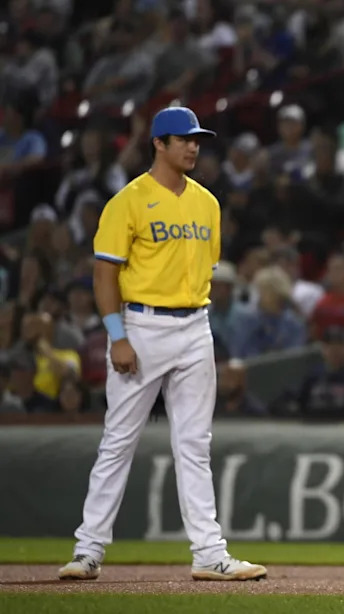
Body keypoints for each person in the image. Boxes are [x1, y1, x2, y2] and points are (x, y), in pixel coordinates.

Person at [58, 107, 266, 582]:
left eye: (197, 139)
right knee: (118, 441)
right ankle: (88, 550)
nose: (193, 146)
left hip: (195, 324)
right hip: (143, 325)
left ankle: (209, 554)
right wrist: (117, 335)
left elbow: (203, 270)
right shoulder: (129, 201)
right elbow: (105, 273)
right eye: (182, 139)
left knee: (195, 443)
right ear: (158, 143)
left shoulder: (207, 203)